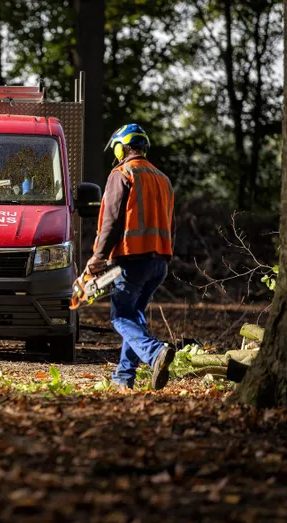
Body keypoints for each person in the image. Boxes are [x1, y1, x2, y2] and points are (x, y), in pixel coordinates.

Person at [85, 124, 176, 391]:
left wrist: (99, 256)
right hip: (159, 262)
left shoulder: (122, 173)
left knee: (120, 317)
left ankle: (155, 352)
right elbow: (172, 224)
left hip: (133, 260)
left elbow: (111, 221)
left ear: (121, 147)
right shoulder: (163, 178)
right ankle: (124, 377)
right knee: (134, 317)